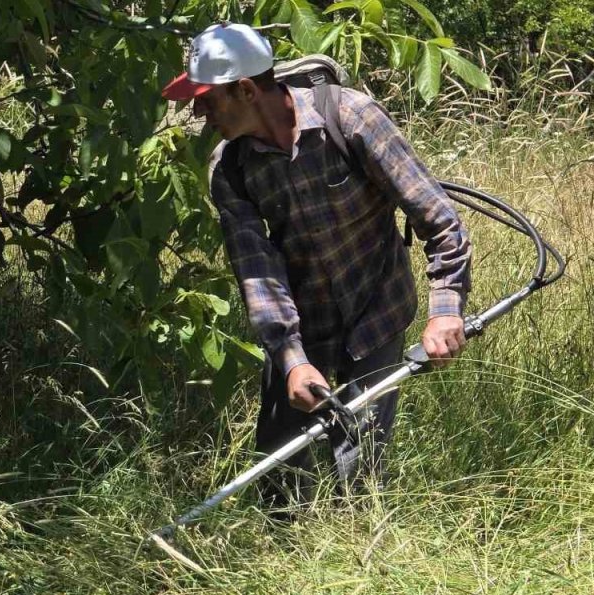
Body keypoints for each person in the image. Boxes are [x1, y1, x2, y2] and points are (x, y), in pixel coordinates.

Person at [161, 23, 472, 507]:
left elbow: (438, 218)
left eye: (207, 99)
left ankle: (360, 542)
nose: (198, 112)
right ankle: (282, 543)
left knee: (360, 457)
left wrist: (446, 310)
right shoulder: (230, 169)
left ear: (246, 90)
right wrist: (292, 358)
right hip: (302, 322)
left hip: (377, 309)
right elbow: (258, 273)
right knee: (279, 460)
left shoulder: (350, 117)